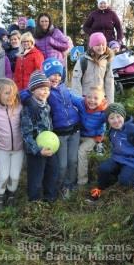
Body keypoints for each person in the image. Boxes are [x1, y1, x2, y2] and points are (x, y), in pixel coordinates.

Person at [88, 103, 134, 201]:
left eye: (118, 117)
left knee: (125, 180)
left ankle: (126, 178)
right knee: (103, 169)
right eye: (111, 118)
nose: (116, 121)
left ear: (123, 116)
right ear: (108, 120)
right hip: (117, 158)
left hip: (132, 161)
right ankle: (101, 188)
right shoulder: (112, 131)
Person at [42, 58, 81, 199]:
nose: (55, 77)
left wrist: (89, 104)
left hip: (75, 130)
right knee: (62, 164)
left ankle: (71, 184)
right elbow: (30, 94)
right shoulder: (45, 92)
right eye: (52, 74)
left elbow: (77, 101)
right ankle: (60, 186)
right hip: (60, 134)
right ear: (45, 76)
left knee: (73, 160)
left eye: (58, 74)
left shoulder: (65, 88)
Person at [21, 71, 57, 202]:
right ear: (33, 90)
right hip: (36, 151)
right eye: (42, 89)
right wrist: (37, 150)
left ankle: (50, 199)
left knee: (52, 174)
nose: (45, 92)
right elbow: (26, 133)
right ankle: (34, 203)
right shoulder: (28, 108)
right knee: (36, 177)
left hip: (50, 147)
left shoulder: (46, 105)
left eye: (47, 89)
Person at [0, 78, 24, 210]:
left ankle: (11, 194)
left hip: (19, 149)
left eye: (13, 92)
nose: (11, 96)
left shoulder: (20, 108)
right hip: (2, 149)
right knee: (3, 175)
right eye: (7, 93)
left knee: (14, 176)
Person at [71, 85, 108, 186]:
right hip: (80, 133)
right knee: (71, 150)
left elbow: (117, 115)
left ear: (102, 99)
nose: (92, 100)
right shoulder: (81, 103)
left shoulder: (104, 111)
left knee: (81, 151)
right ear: (85, 97)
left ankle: (82, 182)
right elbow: (68, 94)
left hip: (94, 137)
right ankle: (70, 178)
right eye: (89, 97)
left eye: (96, 98)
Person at [71, 32, 115, 104]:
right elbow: (76, 81)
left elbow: (109, 83)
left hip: (100, 99)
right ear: (92, 46)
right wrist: (78, 101)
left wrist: (110, 103)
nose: (101, 47)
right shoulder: (83, 60)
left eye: (103, 44)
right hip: (86, 98)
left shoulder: (107, 62)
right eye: (97, 45)